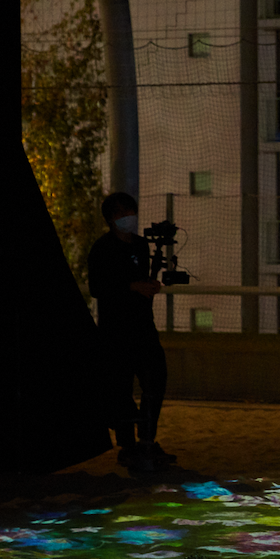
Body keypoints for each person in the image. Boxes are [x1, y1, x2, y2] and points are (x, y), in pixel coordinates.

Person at [87, 192, 175, 471]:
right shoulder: (101, 249)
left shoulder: (140, 246)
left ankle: (147, 439)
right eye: (123, 213)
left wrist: (149, 286)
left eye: (131, 212)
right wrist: (131, 287)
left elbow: (140, 281)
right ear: (111, 218)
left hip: (143, 327)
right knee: (120, 389)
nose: (130, 218)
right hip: (115, 331)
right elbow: (98, 288)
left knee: (155, 378)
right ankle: (128, 446)